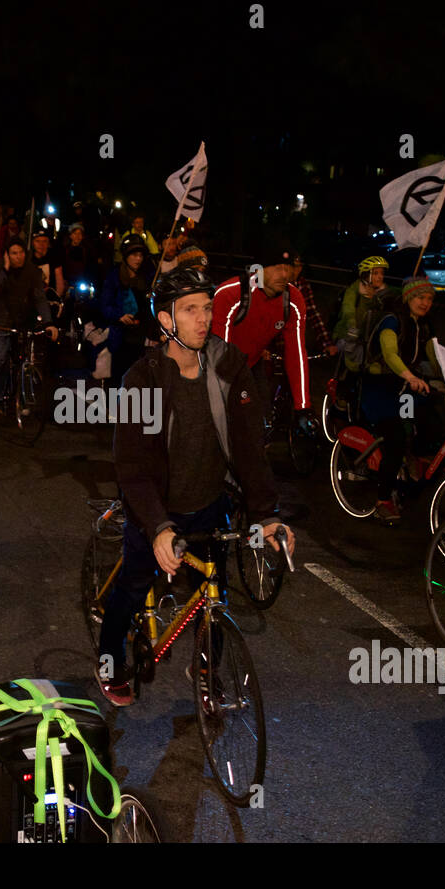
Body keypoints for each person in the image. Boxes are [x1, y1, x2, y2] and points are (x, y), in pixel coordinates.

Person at [99, 268, 294, 705]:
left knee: (215, 594)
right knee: (132, 585)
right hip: (156, 508)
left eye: (207, 308)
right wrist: (158, 527)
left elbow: (248, 448)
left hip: (209, 503)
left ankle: (206, 670)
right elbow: (132, 467)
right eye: (190, 310)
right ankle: (109, 657)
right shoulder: (143, 380)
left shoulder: (228, 365)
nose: (203, 319)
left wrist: (267, 513)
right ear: (166, 321)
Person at [357, 276, 445, 524]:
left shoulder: (423, 326)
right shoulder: (392, 321)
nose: (425, 302)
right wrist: (409, 376)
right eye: (420, 297)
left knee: (431, 417)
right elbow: (390, 353)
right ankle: (382, 500)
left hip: (403, 388)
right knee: (396, 439)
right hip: (379, 390)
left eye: (429, 298)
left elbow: (435, 357)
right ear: (408, 297)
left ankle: (414, 459)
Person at [211, 246, 311, 425]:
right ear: (258, 270)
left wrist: (302, 405)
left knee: (263, 423)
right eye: (277, 268)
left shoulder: (293, 300)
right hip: (217, 363)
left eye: (288, 268)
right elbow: (219, 350)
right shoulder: (232, 293)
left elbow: (296, 353)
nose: (284, 275)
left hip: (252, 363)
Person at [0, 237, 58, 415]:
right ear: (7, 254)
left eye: (21, 252)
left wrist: (48, 322)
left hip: (23, 320)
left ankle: (22, 399)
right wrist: (6, 270)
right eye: (14, 253)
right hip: (1, 321)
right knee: (0, 359)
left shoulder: (32, 271)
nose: (18, 256)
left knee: (24, 359)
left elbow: (40, 298)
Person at [99, 233, 153, 381]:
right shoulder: (114, 277)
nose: (138, 259)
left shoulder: (147, 277)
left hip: (139, 337)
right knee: (118, 377)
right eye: (134, 255)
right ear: (125, 255)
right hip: (119, 337)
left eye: (141, 255)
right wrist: (119, 315)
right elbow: (105, 306)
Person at [333, 256, 393, 378]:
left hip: (369, 339)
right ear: (366, 275)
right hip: (349, 335)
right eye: (376, 273)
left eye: (382, 273)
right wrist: (352, 325)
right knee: (350, 361)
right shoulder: (355, 290)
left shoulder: (384, 293)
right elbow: (348, 308)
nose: (380, 276)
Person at [30, 229, 65, 298]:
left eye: (44, 241)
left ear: (48, 243)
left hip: (50, 298)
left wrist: (57, 298)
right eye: (38, 241)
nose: (41, 244)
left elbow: (59, 282)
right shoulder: (28, 258)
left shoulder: (54, 257)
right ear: (33, 243)